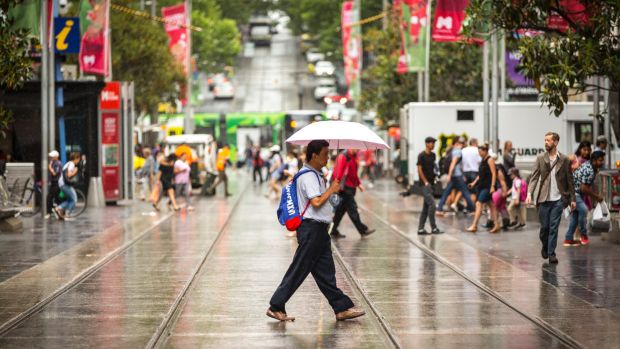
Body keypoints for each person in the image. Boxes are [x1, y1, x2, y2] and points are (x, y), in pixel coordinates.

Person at [267, 140, 365, 322]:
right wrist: (331, 189)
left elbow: (325, 201)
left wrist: (333, 191)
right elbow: (317, 202)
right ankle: (276, 305)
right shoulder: (308, 176)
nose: (328, 157)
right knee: (299, 269)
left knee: (326, 272)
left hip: (319, 230)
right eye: (325, 153)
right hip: (311, 229)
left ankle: (341, 308)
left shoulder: (316, 175)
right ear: (314, 155)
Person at [526, 132, 576, 264]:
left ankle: (551, 253)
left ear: (556, 142)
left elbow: (570, 181)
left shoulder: (564, 160)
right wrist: (529, 193)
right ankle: (545, 245)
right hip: (544, 199)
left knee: (553, 227)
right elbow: (534, 177)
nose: (546, 143)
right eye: (545, 140)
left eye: (548, 140)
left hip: (559, 200)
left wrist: (572, 199)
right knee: (544, 229)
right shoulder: (541, 158)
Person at [330, 149, 376, 238]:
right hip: (345, 188)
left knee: (340, 211)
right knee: (353, 209)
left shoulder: (354, 156)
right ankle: (363, 230)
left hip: (350, 187)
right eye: (355, 147)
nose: (357, 149)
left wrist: (359, 184)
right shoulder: (343, 156)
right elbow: (338, 172)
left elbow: (353, 173)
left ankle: (333, 230)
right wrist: (336, 184)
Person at [563, 150, 605, 247]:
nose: (602, 162)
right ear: (594, 160)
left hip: (575, 193)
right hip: (574, 193)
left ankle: (568, 239)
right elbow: (584, 188)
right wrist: (596, 197)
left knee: (575, 217)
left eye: (602, 160)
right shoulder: (589, 170)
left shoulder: (592, 167)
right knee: (583, 210)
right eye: (600, 160)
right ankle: (583, 235)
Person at [466, 143, 500, 233]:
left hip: (488, 186)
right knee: (491, 206)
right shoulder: (483, 160)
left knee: (478, 204)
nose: (479, 153)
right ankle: (497, 224)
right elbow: (480, 175)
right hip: (482, 185)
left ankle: (474, 225)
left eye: (480, 151)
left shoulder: (490, 160)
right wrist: (473, 183)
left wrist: (492, 186)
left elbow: (494, 173)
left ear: (485, 150)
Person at [437, 137, 476, 214]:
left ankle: (439, 207)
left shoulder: (452, 151)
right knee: (465, 192)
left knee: (446, 192)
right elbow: (453, 163)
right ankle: (473, 208)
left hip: (455, 175)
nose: (463, 145)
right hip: (457, 175)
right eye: (461, 143)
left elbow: (458, 165)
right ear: (458, 144)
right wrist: (450, 174)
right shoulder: (457, 151)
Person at [417, 137, 443, 235]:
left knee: (425, 207)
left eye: (434, 143)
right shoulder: (421, 155)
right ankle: (434, 228)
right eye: (432, 143)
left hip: (431, 183)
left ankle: (420, 229)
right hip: (425, 184)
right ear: (427, 144)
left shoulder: (433, 155)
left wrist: (436, 176)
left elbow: (434, 168)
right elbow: (419, 169)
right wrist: (425, 182)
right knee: (432, 204)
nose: (433, 145)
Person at [55, 152, 81, 220]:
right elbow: (69, 175)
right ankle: (67, 214)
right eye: (78, 159)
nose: (79, 161)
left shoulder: (68, 163)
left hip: (61, 183)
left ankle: (58, 208)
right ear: (76, 159)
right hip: (65, 184)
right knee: (74, 199)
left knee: (70, 200)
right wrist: (75, 171)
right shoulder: (72, 164)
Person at [462, 138, 481, 207]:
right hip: (474, 172)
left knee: (465, 191)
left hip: (464, 172)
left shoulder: (463, 150)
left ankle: (465, 206)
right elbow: (480, 161)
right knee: (473, 191)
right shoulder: (477, 150)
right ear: (475, 143)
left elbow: (461, 162)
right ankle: (471, 207)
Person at [47, 150, 63, 217]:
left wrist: (49, 167)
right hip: (54, 183)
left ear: (56, 157)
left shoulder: (57, 164)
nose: (51, 157)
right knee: (57, 199)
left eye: (52, 156)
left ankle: (49, 212)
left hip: (56, 183)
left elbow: (54, 173)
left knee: (49, 198)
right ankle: (60, 212)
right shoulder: (54, 163)